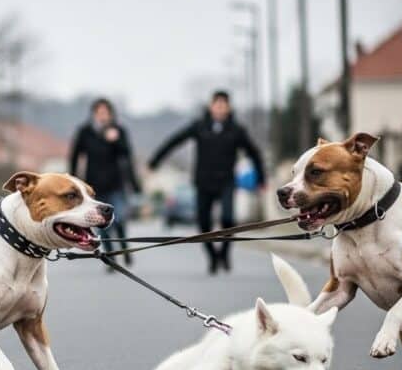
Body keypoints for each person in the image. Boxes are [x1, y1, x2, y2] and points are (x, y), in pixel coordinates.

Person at [148, 90, 265, 274]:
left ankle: (225, 252)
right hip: (203, 181)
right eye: (216, 104)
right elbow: (175, 141)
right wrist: (155, 161)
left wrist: (261, 178)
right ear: (211, 107)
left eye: (223, 105)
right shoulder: (200, 126)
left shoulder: (236, 130)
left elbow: (254, 153)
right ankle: (212, 256)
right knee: (204, 224)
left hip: (226, 181)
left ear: (228, 108)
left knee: (228, 219)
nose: (219, 108)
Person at [69, 98, 141, 266]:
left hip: (116, 183)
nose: (102, 116)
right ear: (94, 114)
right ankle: (110, 255)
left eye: (105, 112)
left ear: (110, 114)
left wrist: (116, 140)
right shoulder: (85, 132)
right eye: (99, 112)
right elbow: (75, 155)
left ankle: (124, 248)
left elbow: (127, 155)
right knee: (102, 222)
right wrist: (72, 179)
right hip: (94, 185)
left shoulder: (118, 130)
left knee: (119, 219)